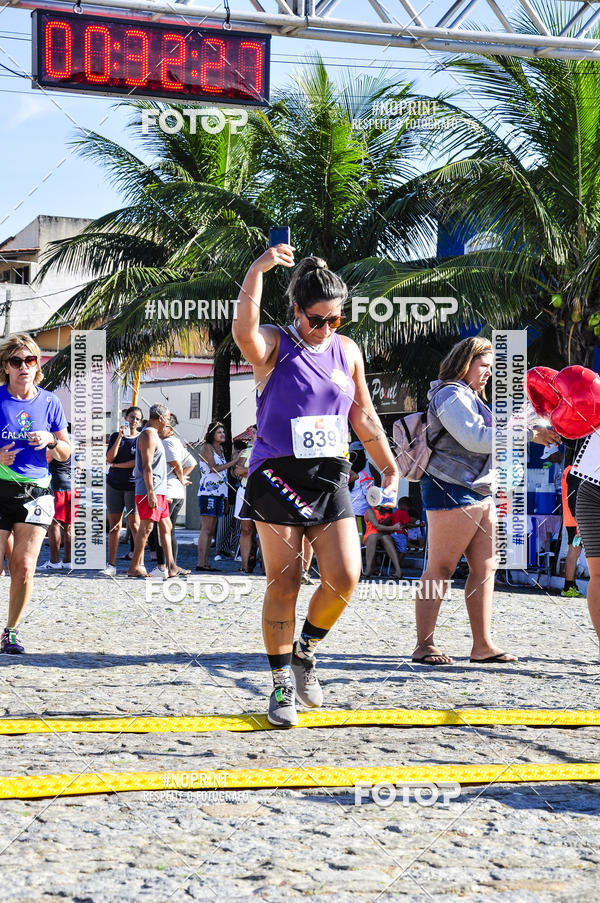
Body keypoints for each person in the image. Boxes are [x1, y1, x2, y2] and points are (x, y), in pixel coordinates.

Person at [233, 247, 399, 727]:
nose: (327, 328)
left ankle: (306, 650)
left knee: (346, 576)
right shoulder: (275, 344)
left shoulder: (347, 351)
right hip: (277, 476)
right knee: (284, 581)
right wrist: (257, 268)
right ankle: (281, 683)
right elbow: (243, 331)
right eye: (318, 320)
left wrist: (388, 466)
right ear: (297, 312)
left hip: (329, 474)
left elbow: (362, 413)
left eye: (336, 319)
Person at [412, 336, 560, 666]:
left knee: (485, 567)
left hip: (476, 489)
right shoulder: (450, 394)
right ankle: (424, 645)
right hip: (450, 486)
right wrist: (528, 434)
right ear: (465, 362)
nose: (489, 373)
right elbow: (476, 439)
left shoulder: (467, 396)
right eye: (485, 366)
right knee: (441, 567)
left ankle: (482, 645)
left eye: (492, 367)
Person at [0, 333, 70, 654]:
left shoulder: (50, 402)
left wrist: (51, 441)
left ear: (38, 365)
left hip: (36, 492)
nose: (24, 367)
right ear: (6, 367)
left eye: (30, 360)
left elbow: (66, 452)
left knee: (24, 568)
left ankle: (11, 632)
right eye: (16, 361)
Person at [127, 404, 185, 579]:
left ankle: (172, 566)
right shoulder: (148, 435)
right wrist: (151, 492)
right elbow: (146, 467)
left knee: (166, 525)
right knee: (146, 528)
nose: (169, 422)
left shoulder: (155, 436)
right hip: (148, 489)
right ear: (159, 418)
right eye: (167, 418)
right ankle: (134, 566)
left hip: (159, 490)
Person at [102, 406, 143, 577]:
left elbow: (136, 462)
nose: (134, 421)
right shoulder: (115, 436)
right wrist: (119, 437)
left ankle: (138, 563)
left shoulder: (141, 439)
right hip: (114, 484)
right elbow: (109, 457)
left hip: (132, 485)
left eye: (138, 419)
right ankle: (111, 564)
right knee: (114, 526)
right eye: (132, 417)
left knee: (134, 525)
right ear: (126, 418)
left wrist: (117, 465)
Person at [196, 421, 239, 571]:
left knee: (212, 530)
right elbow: (214, 469)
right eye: (219, 432)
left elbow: (223, 476)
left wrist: (226, 497)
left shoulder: (219, 449)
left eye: (223, 432)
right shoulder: (207, 447)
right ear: (212, 434)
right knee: (206, 529)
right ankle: (201, 562)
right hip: (208, 493)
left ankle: (205, 562)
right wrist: (233, 462)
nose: (223, 434)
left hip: (219, 494)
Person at [157, 413, 195, 572]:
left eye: (162, 427)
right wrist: (180, 479)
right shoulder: (177, 442)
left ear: (170, 429)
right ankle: (169, 565)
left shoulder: (167, 443)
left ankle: (164, 566)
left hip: (169, 492)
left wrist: (179, 477)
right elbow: (192, 462)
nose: (159, 429)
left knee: (162, 531)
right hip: (177, 492)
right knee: (169, 530)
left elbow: (176, 464)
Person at [40, 422, 74, 570]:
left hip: (57, 484)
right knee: (68, 525)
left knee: (54, 523)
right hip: (72, 485)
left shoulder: (56, 442)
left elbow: (47, 459)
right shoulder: (74, 442)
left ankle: (54, 562)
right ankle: (67, 561)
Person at [560, 448, 585, 598]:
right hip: (576, 519)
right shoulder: (575, 471)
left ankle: (570, 585)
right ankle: (569, 586)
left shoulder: (568, 470)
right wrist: (579, 519)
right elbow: (573, 498)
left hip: (572, 518)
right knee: (574, 551)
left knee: (574, 551)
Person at [233, 429, 257, 573]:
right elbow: (237, 471)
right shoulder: (246, 451)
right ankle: (244, 566)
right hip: (244, 491)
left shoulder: (269, 450)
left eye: (255, 432)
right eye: (253, 433)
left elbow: (261, 470)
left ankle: (267, 567)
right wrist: (249, 470)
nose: (253, 435)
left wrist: (246, 470)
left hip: (262, 494)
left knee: (264, 531)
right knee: (246, 529)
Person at [362, 504, 405, 578]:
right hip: (370, 536)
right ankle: (368, 569)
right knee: (373, 537)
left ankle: (398, 570)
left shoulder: (387, 514)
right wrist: (394, 527)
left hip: (381, 536)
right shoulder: (370, 511)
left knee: (386, 538)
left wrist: (395, 525)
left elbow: (386, 527)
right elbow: (377, 526)